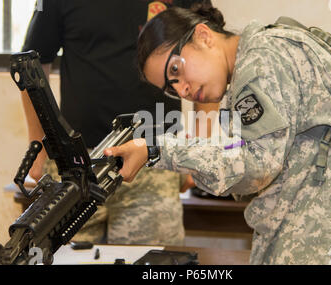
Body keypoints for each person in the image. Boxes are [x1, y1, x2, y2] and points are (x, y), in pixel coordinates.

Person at [104, 4, 331, 264]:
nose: (182, 88)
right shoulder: (252, 69)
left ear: (203, 36)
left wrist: (157, 150)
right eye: (170, 88)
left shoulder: (261, 59)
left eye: (176, 70)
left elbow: (256, 165)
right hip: (323, 233)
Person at [20, 0, 209, 246]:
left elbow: (208, 60)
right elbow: (31, 64)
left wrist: (200, 149)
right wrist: (39, 145)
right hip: (77, 165)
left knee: (154, 263)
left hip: (154, 162)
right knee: (63, 257)